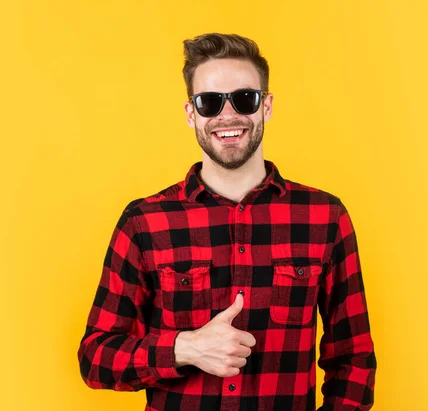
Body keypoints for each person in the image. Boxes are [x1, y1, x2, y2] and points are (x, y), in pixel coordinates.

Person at [77, 32, 377, 411]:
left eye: (244, 98)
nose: (227, 115)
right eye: (210, 102)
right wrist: (184, 348)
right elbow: (95, 358)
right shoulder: (144, 222)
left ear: (266, 106)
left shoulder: (325, 217)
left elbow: (353, 359)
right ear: (191, 114)